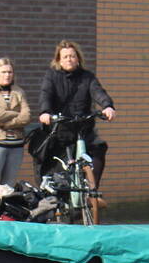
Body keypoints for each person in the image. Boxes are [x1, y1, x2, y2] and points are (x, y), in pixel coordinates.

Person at [36, 39, 115, 191]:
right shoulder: (52, 77)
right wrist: (45, 112)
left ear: (78, 58)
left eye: (72, 56)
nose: (69, 59)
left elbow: (98, 92)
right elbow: (45, 95)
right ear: (59, 60)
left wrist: (107, 106)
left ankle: (92, 191)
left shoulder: (87, 77)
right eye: (65, 57)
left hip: (83, 128)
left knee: (99, 149)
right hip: (61, 129)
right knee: (57, 164)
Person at [0, 57, 30, 193]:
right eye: (3, 72)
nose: (7, 75)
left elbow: (26, 117)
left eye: (10, 72)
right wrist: (14, 113)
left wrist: (6, 122)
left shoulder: (19, 92)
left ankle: (4, 215)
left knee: (8, 188)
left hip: (16, 146)